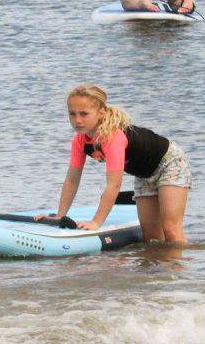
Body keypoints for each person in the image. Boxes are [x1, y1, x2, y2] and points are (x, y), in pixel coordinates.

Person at [47, 84, 189, 244]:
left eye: (84, 114)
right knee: (151, 237)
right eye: (72, 114)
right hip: (144, 174)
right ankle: (158, 268)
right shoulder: (80, 141)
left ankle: (179, 267)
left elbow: (113, 185)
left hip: (169, 163)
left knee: (170, 228)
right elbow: (72, 180)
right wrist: (60, 215)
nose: (77, 120)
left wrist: (95, 222)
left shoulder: (112, 138)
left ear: (101, 113)